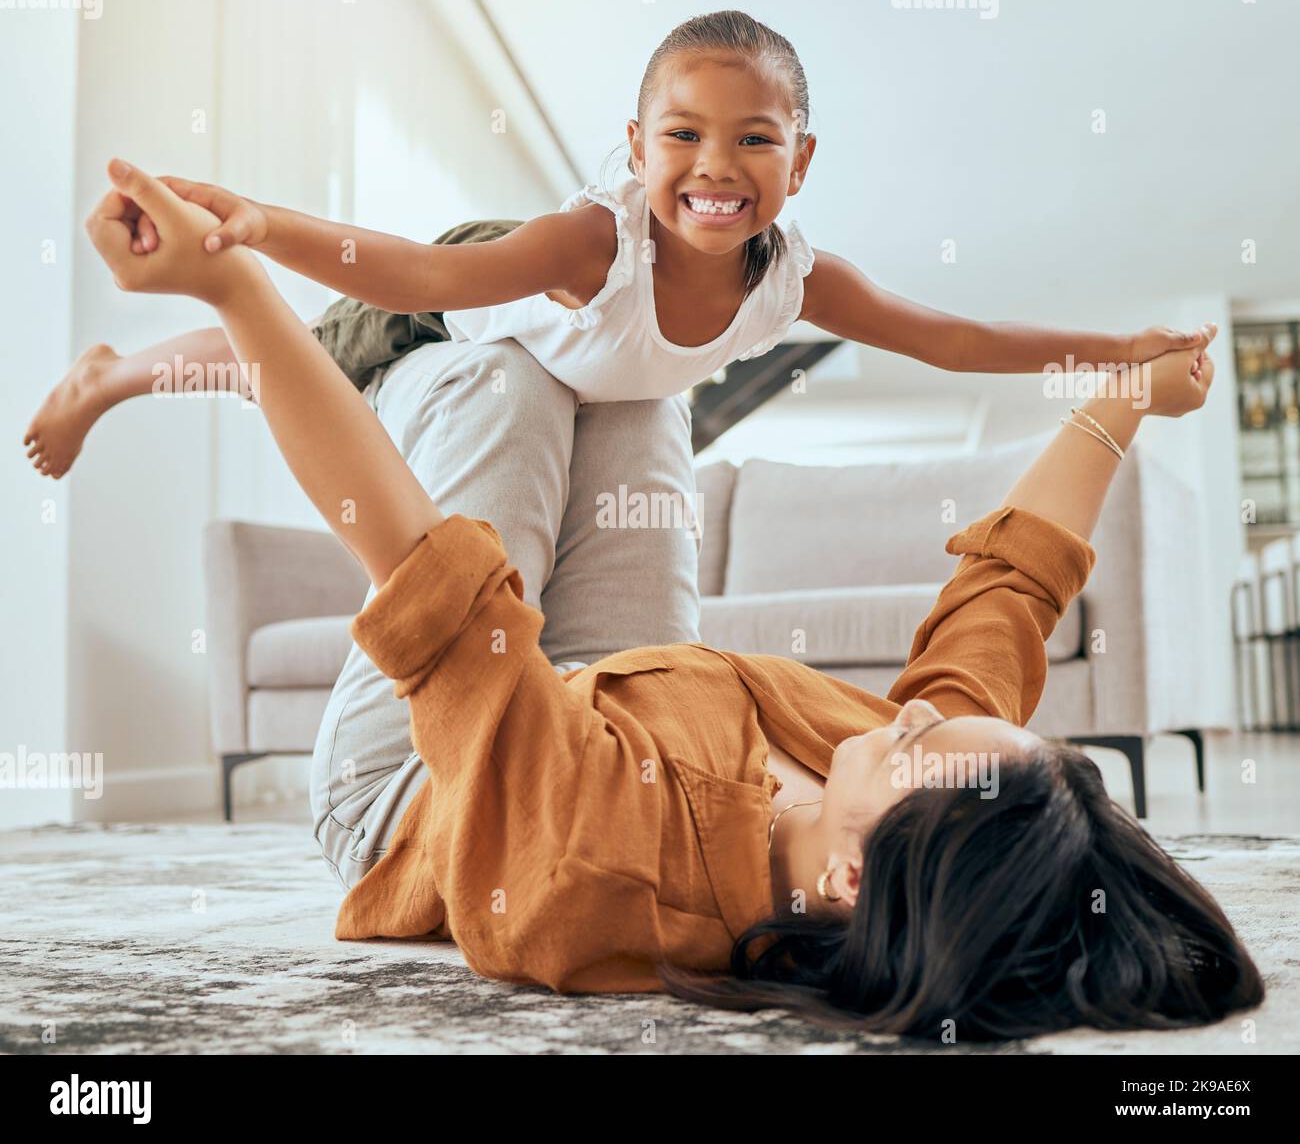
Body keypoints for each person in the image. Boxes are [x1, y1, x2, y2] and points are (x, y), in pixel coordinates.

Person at [82, 155, 1262, 1041]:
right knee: (644, 387)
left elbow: (426, 571)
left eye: (911, 740)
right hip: (612, 701)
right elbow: (1003, 600)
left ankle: (169, 369)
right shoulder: (910, 796)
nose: (897, 713)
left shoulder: (602, 860)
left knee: (499, 385)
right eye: (932, 721)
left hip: (420, 782)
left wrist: (235, 283)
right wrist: (1122, 395)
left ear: (849, 881)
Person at [25, 9, 1213, 477]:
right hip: (461, 302)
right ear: (638, 148)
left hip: (582, 370)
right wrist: (260, 223)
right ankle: (112, 377)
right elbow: (422, 273)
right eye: (683, 136)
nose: (715, 168)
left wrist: (1119, 350)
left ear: (799, 163)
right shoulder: (589, 246)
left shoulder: (796, 281)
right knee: (280, 361)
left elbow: (951, 336)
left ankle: (120, 373)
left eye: (754, 141)